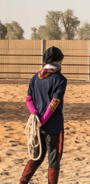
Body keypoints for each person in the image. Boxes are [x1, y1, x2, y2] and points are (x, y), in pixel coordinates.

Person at [20, 46, 67, 184]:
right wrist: (43, 120)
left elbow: (28, 99)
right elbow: (54, 102)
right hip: (53, 126)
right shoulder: (60, 79)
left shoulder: (35, 77)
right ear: (58, 61)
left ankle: (22, 182)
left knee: (36, 157)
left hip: (37, 127)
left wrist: (35, 115)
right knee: (54, 160)